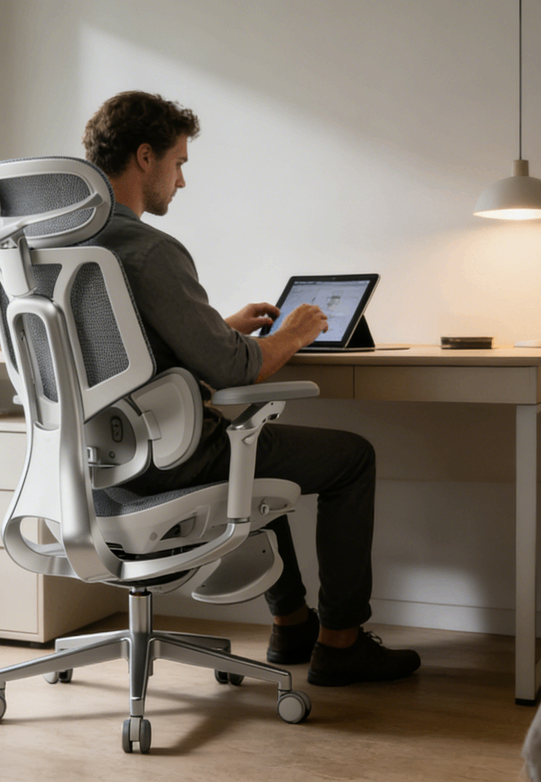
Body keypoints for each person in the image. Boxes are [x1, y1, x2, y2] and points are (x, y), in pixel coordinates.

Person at [82, 91, 420, 686]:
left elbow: (120, 353)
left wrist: (217, 331)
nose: (181, 181)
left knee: (253, 443)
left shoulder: (70, 249)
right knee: (348, 457)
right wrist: (293, 333)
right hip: (171, 463)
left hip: (99, 466)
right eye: (179, 163)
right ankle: (340, 643)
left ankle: (292, 623)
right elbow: (239, 372)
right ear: (144, 157)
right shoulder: (148, 249)